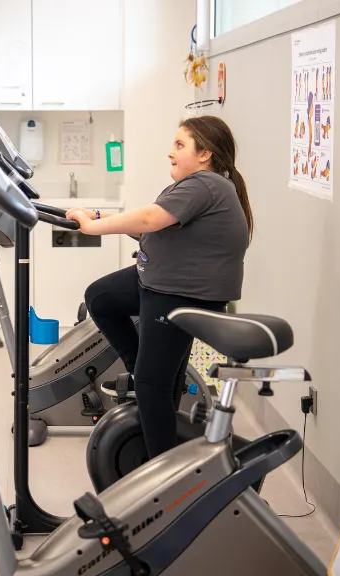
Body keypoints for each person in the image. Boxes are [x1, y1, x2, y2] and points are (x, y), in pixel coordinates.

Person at [67, 115, 253, 460]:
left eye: (180, 145)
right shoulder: (206, 186)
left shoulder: (205, 184)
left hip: (177, 294)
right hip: (160, 282)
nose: (170, 153)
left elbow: (151, 218)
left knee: (154, 388)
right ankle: (140, 368)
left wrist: (92, 229)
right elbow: (156, 229)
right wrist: (99, 218)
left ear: (205, 154)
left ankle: (162, 478)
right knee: (101, 297)